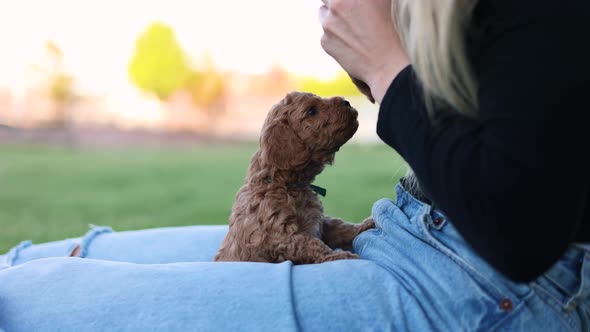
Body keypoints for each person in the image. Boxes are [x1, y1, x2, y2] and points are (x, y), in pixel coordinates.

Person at [1, 0, 588, 330]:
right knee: (29, 262)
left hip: (491, 288)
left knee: (28, 301)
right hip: (414, 237)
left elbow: (521, 230)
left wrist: (387, 65)